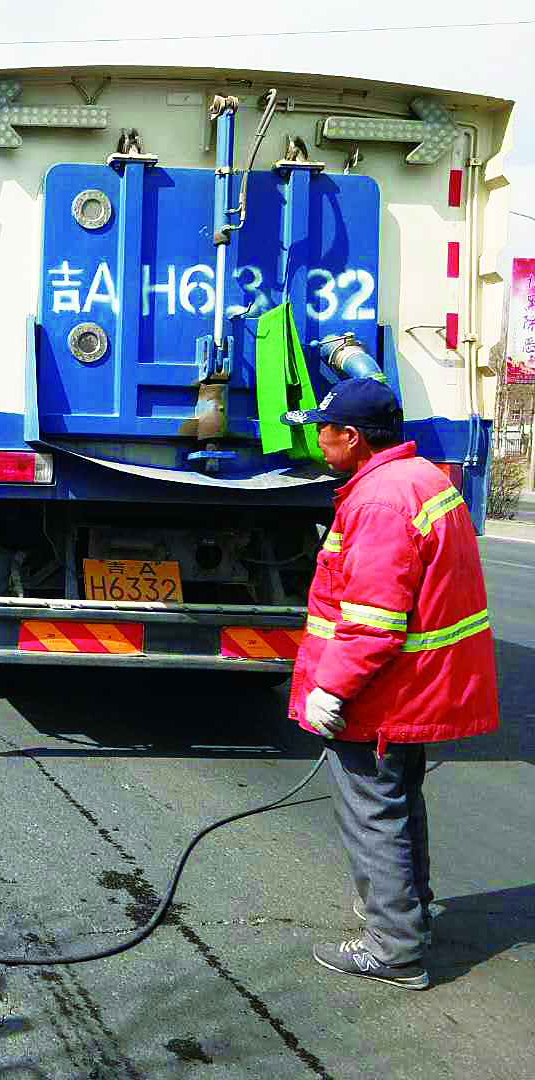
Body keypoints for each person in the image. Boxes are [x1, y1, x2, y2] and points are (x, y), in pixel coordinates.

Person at [280, 378, 498, 990]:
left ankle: (393, 946)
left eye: (322, 430)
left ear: (351, 437)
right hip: (413, 686)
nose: (317, 441)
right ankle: (409, 916)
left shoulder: (378, 503)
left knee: (373, 810)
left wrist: (332, 688)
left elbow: (372, 620)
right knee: (399, 801)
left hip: (385, 691)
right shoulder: (422, 479)